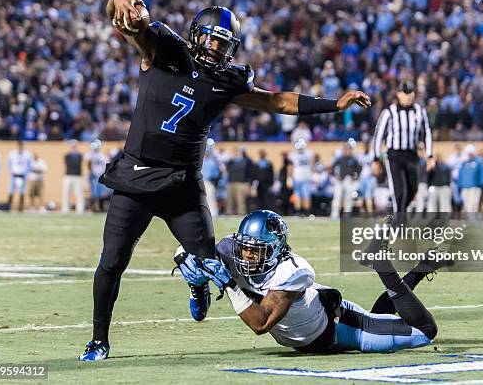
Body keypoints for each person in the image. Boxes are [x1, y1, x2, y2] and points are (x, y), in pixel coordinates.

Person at [79, 0, 370, 361]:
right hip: (136, 176)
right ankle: (99, 339)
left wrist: (334, 104)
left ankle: (197, 284)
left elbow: (276, 101)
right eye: (212, 40)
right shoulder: (165, 49)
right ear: (196, 35)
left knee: (208, 259)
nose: (216, 49)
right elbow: (129, 18)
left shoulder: (229, 80)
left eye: (224, 43)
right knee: (112, 261)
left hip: (182, 184)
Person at [176, 210, 444, 354]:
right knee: (379, 318)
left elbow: (261, 323)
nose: (247, 254)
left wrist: (229, 286)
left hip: (338, 330)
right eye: (245, 247)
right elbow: (187, 257)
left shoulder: (293, 271)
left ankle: (383, 263)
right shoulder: (228, 251)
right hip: (321, 317)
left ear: (276, 248)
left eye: (256, 250)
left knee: (424, 332)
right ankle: (420, 268)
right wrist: (194, 276)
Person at [372, 80, 434, 214]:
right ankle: (399, 223)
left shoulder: (419, 111)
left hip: (412, 155)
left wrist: (430, 155)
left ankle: (395, 218)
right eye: (405, 93)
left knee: (413, 189)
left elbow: (427, 132)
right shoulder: (389, 112)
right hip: (394, 155)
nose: (409, 96)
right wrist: (376, 159)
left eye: (411, 92)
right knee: (399, 191)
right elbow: (378, 136)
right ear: (398, 94)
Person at [330, 141, 362, 218]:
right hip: (340, 181)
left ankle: (347, 214)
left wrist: (355, 176)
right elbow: (332, 168)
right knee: (337, 197)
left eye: (348, 149)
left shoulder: (353, 159)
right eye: (346, 149)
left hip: (349, 181)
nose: (347, 150)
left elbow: (359, 169)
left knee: (348, 198)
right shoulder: (340, 158)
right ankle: (335, 214)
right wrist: (336, 176)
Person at [458, 144, 483, 214]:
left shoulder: (479, 162)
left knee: (473, 204)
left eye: (470, 153)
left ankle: (472, 219)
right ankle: (467, 219)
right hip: (465, 186)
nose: (469, 155)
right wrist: (460, 184)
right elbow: (460, 174)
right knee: (465, 204)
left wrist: (481, 183)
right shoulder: (464, 163)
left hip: (475, 186)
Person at [225, 147, 254, 215]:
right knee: (230, 200)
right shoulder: (231, 161)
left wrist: (249, 183)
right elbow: (227, 169)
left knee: (240, 200)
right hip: (231, 182)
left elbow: (250, 172)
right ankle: (229, 212)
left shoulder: (247, 161)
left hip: (241, 183)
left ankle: (241, 212)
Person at [288, 139, 313, 215]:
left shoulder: (308, 153)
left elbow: (290, 167)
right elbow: (290, 167)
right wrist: (289, 177)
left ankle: (304, 212)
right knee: (299, 196)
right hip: (299, 177)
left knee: (304, 196)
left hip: (303, 177)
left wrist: (289, 177)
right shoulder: (309, 153)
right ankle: (302, 212)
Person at [7, 140, 33, 212]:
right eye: (19, 145)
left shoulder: (27, 154)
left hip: (23, 176)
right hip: (14, 175)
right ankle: (8, 207)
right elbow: (9, 164)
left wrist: (27, 174)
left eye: (21, 145)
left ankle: (20, 207)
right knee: (11, 191)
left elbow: (30, 165)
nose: (20, 146)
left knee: (22, 192)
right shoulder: (12, 154)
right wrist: (11, 172)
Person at [85, 139, 109, 212]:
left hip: (100, 175)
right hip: (93, 175)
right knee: (94, 192)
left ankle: (100, 207)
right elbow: (88, 162)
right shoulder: (90, 154)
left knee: (100, 193)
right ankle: (94, 208)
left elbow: (105, 165)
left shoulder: (102, 156)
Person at [62, 139, 84, 214]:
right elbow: (68, 163)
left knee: (79, 193)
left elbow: (77, 163)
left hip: (78, 176)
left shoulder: (80, 155)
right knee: (66, 193)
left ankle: (80, 209)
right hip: (68, 175)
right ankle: (65, 209)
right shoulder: (67, 155)